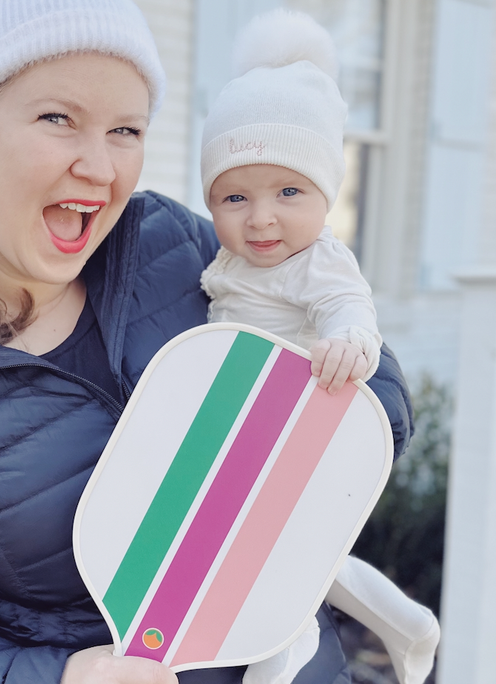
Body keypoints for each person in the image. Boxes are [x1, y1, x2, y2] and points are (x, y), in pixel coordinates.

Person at [0, 2, 414, 683]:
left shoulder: (176, 248)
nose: (100, 167)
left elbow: (375, 386)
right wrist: (62, 676)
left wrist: (321, 407)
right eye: (57, 119)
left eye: (126, 129)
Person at [198, 11, 439, 684]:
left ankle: (284, 649)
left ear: (327, 196)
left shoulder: (318, 261)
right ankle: (405, 624)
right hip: (250, 425)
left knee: (270, 553)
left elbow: (348, 308)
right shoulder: (230, 262)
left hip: (300, 422)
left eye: (289, 191)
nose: (262, 216)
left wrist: (350, 342)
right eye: (234, 196)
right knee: (291, 549)